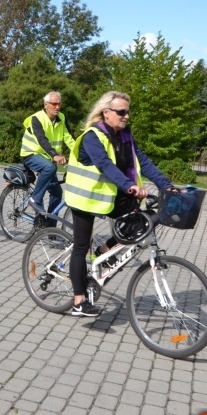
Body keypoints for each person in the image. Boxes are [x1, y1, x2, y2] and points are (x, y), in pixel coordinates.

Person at [63, 91, 175, 317]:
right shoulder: (92, 136)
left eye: (127, 112)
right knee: (80, 247)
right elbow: (105, 165)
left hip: (109, 196)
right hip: (85, 198)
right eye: (121, 112)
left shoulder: (125, 137)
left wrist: (166, 185)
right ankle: (79, 300)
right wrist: (130, 186)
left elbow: (143, 161)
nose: (126, 116)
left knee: (143, 223)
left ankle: (103, 251)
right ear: (106, 113)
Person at [20, 91, 75, 224]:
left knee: (57, 193)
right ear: (46, 105)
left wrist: (81, 154)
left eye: (59, 104)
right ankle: (35, 199)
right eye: (54, 104)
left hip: (46, 157)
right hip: (30, 154)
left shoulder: (61, 118)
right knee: (50, 168)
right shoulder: (36, 118)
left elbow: (68, 138)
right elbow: (41, 140)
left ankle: (50, 229)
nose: (57, 107)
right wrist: (55, 155)